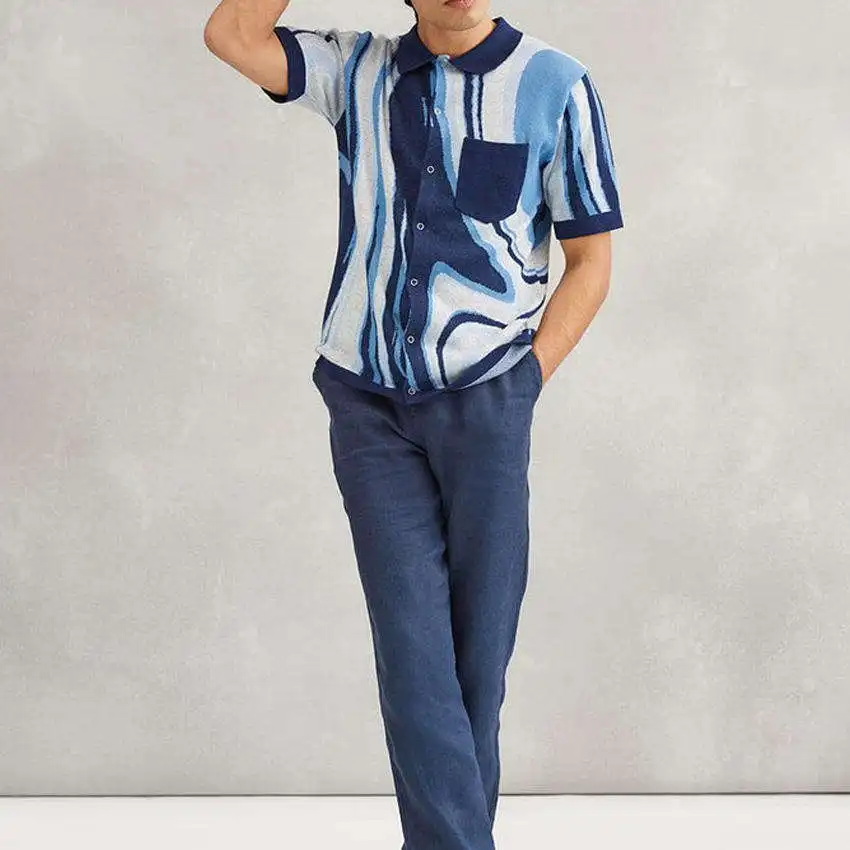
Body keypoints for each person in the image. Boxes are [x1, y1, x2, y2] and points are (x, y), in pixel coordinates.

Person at [204, 2, 623, 848]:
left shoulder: (556, 86)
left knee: (476, 666)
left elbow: (591, 261)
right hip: (369, 407)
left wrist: (525, 382)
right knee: (412, 651)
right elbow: (232, 36)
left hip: (488, 402)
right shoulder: (356, 70)